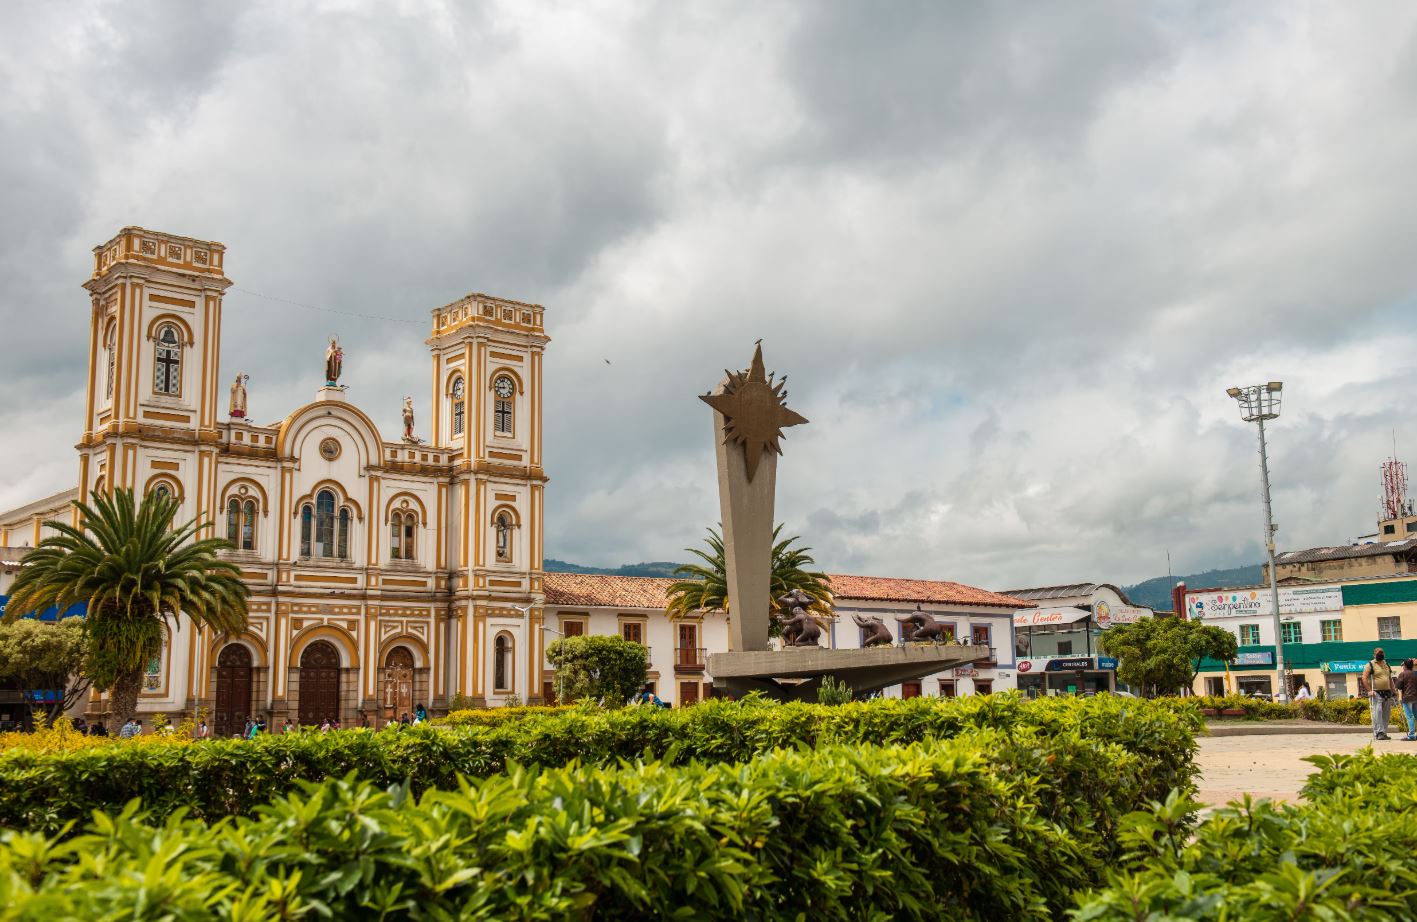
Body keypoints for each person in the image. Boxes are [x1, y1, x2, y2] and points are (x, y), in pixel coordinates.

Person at [1364, 648, 1396, 741]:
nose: (1380, 654)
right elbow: (1364, 678)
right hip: (1376, 692)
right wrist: (1369, 690)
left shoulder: (1387, 665)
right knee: (1378, 713)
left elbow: (1390, 679)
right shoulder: (1370, 664)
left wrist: (1394, 691)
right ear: (1374, 655)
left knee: (1386, 714)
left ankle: (1384, 732)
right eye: (1378, 653)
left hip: (1387, 692)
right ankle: (1379, 732)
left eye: (1382, 653)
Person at [1396, 659, 1417, 742]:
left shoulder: (1403, 674)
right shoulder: (1416, 673)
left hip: (1407, 698)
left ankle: (1411, 735)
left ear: (1405, 666)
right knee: (1416, 716)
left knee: (1409, 717)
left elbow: (1398, 686)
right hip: (1416, 697)